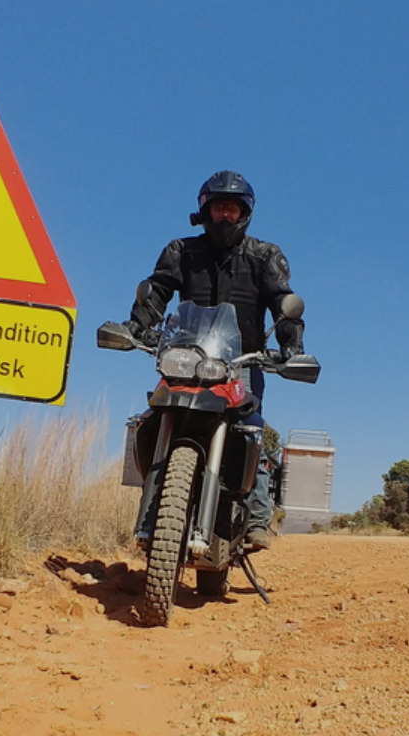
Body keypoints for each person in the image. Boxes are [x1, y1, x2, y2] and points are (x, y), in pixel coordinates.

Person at [124, 170, 306, 551]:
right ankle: (156, 505)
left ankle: (256, 516)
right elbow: (158, 290)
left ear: (244, 213)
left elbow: (282, 303)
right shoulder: (182, 252)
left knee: (250, 427)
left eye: (232, 209)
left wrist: (291, 347)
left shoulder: (265, 256)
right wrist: (137, 325)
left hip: (242, 363)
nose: (225, 216)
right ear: (205, 211)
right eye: (219, 207)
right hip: (186, 356)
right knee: (153, 415)